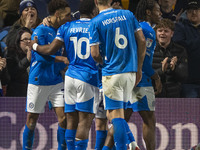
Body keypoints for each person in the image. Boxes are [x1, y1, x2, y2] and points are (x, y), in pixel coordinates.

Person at [31, 0, 99, 149]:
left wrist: (34, 46)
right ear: (94, 12)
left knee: (71, 120)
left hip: (69, 77)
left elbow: (49, 50)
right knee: (84, 121)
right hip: (87, 77)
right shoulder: (96, 26)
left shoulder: (66, 26)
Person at [89, 0, 146, 149]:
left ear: (96, 1)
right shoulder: (128, 14)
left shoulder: (95, 22)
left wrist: (104, 62)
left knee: (116, 117)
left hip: (112, 73)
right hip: (131, 72)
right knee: (112, 115)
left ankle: (123, 147)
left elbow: (94, 54)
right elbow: (141, 40)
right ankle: (133, 143)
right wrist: (139, 68)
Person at [22, 0, 71, 150]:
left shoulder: (62, 30)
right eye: (67, 15)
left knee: (64, 119)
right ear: (57, 14)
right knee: (32, 119)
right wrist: (61, 59)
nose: (70, 18)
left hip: (56, 81)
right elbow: (41, 57)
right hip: (38, 80)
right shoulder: (40, 31)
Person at [123, 1, 162, 150]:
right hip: (141, 81)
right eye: (157, 10)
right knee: (149, 120)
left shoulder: (134, 27)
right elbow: (144, 60)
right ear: (148, 12)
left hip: (126, 79)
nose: (160, 13)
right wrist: (155, 77)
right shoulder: (147, 30)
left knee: (121, 119)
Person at [153, 18, 188, 98]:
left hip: (173, 95)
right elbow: (145, 75)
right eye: (160, 30)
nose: (162, 33)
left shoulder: (180, 50)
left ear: (172, 33)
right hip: (154, 95)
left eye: (166, 31)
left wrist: (174, 69)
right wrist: (161, 70)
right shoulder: (149, 50)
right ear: (156, 33)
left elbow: (184, 77)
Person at [172, 0, 200, 98]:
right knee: (190, 111)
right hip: (188, 81)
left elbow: (187, 45)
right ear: (186, 13)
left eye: (196, 10)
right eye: (190, 10)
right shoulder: (180, 27)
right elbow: (180, 45)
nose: (194, 12)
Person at [3, 27, 32, 97]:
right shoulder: (11, 53)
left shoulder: (36, 54)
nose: (28, 41)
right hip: (16, 96)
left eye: (30, 39)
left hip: (32, 95)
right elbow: (12, 75)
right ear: (18, 42)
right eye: (25, 39)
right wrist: (27, 60)